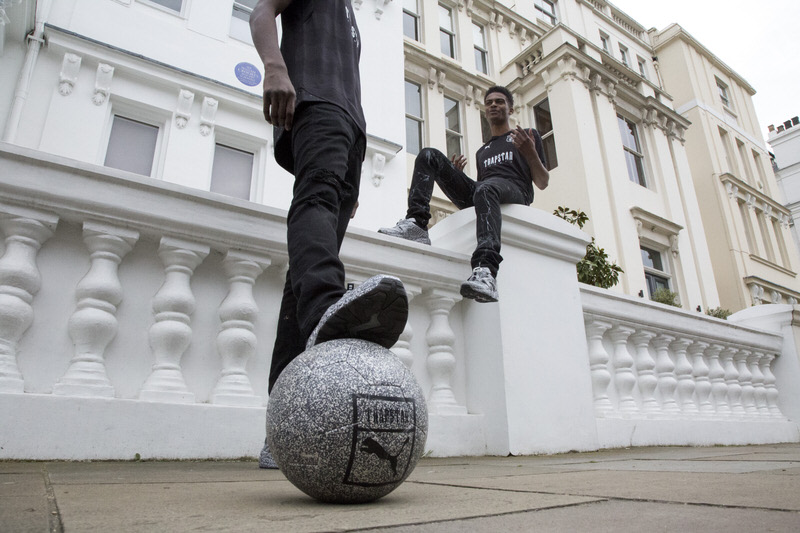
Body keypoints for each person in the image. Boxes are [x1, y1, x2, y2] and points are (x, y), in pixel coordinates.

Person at [250, 0, 408, 469]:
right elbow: (261, 12)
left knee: (298, 278)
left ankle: (280, 429)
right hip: (314, 104)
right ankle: (326, 305)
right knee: (314, 202)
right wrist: (275, 68)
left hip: (350, 129)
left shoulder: (351, 18)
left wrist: (353, 164)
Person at [379, 86, 549, 303]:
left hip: (516, 191)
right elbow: (482, 196)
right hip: (488, 191)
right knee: (428, 155)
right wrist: (457, 178)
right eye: (489, 103)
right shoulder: (483, 151)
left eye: (499, 101)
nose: (494, 105)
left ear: (511, 109)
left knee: (487, 188)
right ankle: (416, 224)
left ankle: (486, 271)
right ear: (485, 111)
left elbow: (542, 182)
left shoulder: (527, 136)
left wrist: (530, 152)